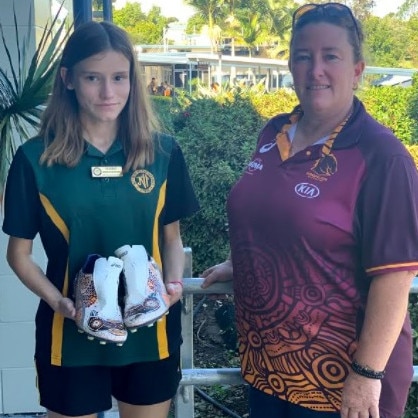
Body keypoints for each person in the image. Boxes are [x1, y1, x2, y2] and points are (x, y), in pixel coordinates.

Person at [201, 3, 418, 418]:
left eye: (330, 56)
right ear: (290, 64)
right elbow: (274, 212)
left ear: (357, 69)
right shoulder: (275, 130)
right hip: (270, 371)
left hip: (341, 385)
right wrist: (242, 259)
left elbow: (395, 277)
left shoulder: (382, 156)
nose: (315, 69)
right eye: (303, 56)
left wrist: (366, 374)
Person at [2, 20, 199, 418]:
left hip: (150, 333)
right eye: (93, 77)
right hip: (70, 332)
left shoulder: (162, 153)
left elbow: (171, 238)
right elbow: (18, 255)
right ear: (68, 79)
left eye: (119, 78)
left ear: (133, 80)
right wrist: (57, 300)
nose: (108, 92)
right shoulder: (35, 160)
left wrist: (173, 284)